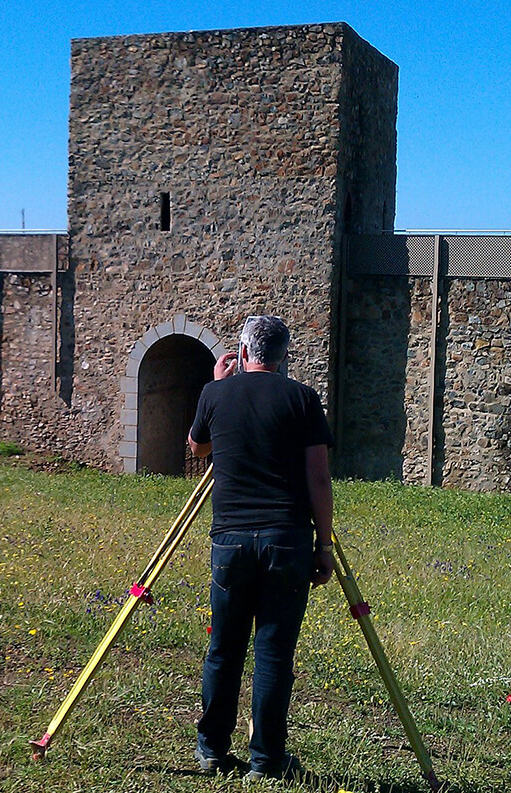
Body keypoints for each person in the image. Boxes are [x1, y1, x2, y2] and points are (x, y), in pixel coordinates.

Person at [186, 315, 335, 782]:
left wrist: (216, 385)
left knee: (223, 649)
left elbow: (198, 449)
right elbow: (318, 476)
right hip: (285, 541)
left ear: (244, 352)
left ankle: (211, 750)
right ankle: (266, 759)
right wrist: (324, 544)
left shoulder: (214, 394)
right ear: (283, 355)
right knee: (273, 652)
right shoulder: (303, 399)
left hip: (229, 540)